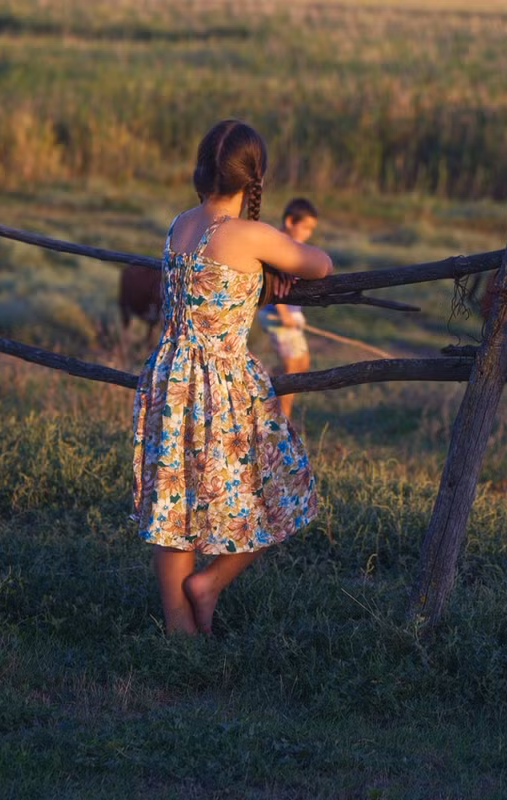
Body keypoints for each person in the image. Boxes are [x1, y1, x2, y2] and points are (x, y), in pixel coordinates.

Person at [131, 120, 334, 636]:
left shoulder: (179, 224)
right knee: (284, 488)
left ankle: (180, 631)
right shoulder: (250, 235)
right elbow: (320, 264)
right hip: (222, 382)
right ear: (253, 178)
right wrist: (271, 263)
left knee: (172, 505)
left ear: (201, 171)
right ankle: (209, 584)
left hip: (170, 379)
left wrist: (260, 280)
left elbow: (208, 291)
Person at [258, 198, 319, 420]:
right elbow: (273, 282)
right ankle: (283, 418)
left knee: (302, 364)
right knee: (292, 367)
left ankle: (266, 388)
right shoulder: (278, 245)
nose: (308, 234)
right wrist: (283, 313)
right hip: (277, 315)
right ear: (290, 221)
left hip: (291, 315)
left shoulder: (291, 246)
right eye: (306, 228)